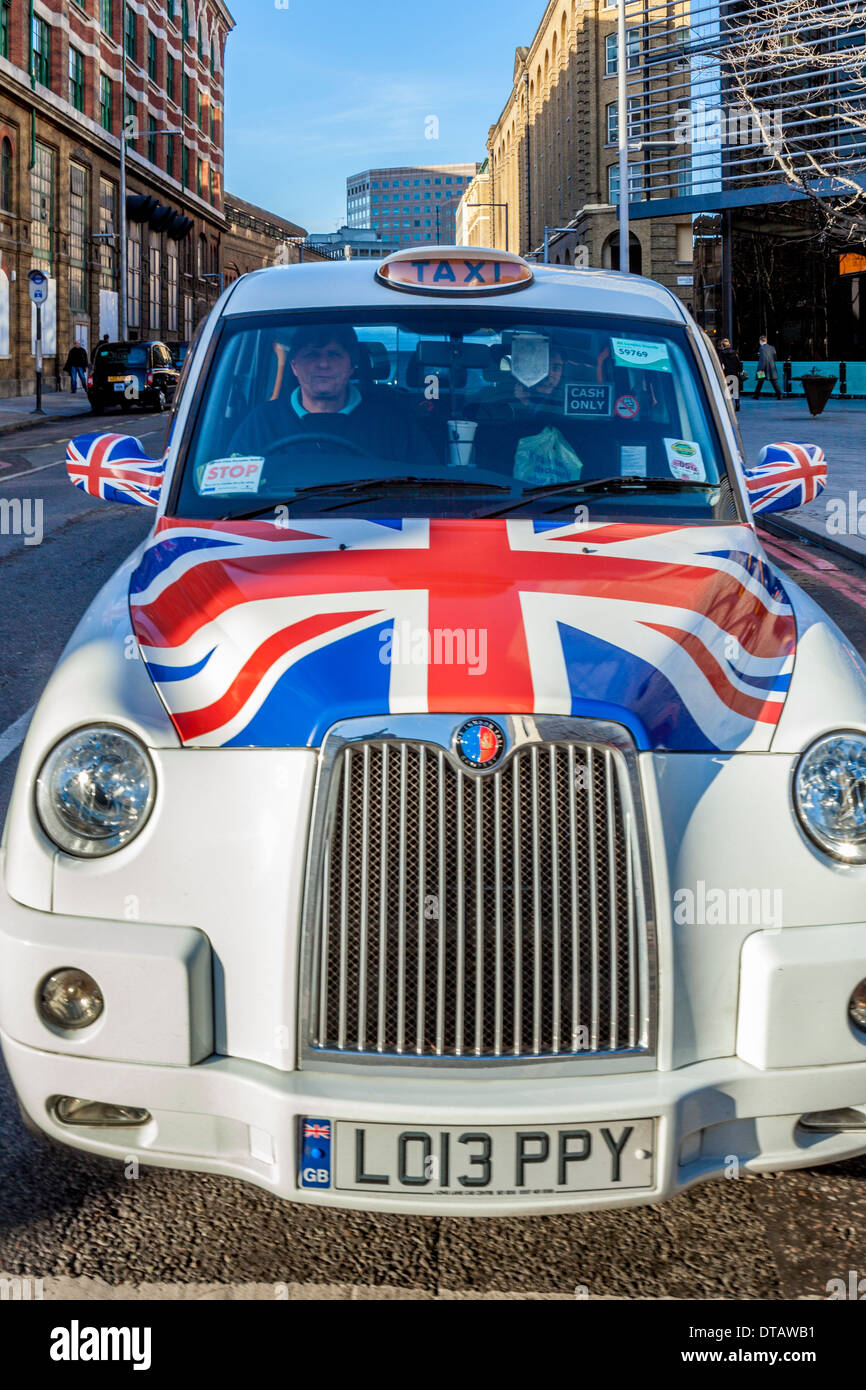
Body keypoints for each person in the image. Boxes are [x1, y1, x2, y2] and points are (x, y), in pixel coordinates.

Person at [229, 324, 437, 467]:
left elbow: (426, 487)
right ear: (294, 366)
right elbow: (231, 489)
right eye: (312, 355)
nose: (323, 364)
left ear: (352, 366)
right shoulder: (262, 422)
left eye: (334, 354)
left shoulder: (392, 423)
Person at [716, 337, 744, 412]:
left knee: (727, 390)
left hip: (726, 373)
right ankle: (737, 404)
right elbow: (739, 363)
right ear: (729, 345)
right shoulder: (735, 353)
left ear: (723, 346)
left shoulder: (721, 354)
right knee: (735, 390)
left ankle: (728, 406)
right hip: (734, 373)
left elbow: (720, 364)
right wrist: (740, 371)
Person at [754, 334, 782, 399]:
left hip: (762, 368)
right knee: (774, 382)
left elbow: (762, 360)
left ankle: (756, 395)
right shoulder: (772, 347)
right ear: (766, 340)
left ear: (761, 341)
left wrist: (760, 369)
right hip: (771, 368)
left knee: (760, 382)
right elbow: (775, 358)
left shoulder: (761, 348)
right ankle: (779, 395)